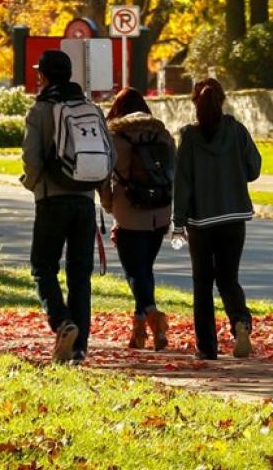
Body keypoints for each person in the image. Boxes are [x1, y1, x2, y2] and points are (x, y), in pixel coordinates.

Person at [21, 49, 111, 364]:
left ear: (44, 76)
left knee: (42, 267)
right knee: (79, 274)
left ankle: (62, 322)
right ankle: (79, 348)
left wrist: (33, 184)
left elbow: (31, 159)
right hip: (85, 200)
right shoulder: (89, 108)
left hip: (51, 199)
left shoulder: (40, 111)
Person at [172, 78, 261, 359]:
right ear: (222, 100)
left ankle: (207, 346)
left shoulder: (189, 137)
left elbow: (182, 184)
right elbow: (254, 168)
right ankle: (240, 323)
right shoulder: (236, 131)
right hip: (234, 216)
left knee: (203, 283)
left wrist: (178, 222)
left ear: (195, 104)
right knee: (228, 278)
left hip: (201, 222)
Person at [99, 88, 176, 350]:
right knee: (145, 269)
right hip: (160, 211)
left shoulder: (115, 137)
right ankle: (140, 332)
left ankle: (155, 317)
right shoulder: (163, 135)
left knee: (135, 271)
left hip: (128, 210)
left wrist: (109, 204)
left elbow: (103, 176)